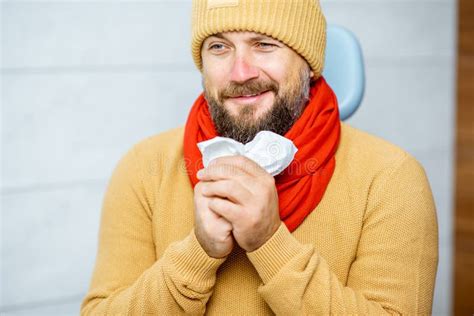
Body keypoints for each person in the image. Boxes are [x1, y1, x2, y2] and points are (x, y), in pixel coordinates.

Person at [81, 0, 438, 314]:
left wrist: (270, 242)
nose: (240, 73)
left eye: (264, 45)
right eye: (219, 47)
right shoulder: (145, 167)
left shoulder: (391, 177)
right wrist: (196, 254)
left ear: (310, 62)